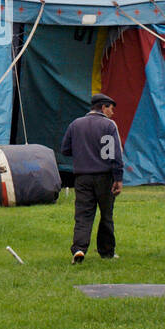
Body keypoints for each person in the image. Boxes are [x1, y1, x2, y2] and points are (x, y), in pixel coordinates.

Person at [61, 93, 124, 263]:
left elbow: (65, 149)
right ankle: (107, 251)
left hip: (82, 177)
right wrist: (118, 178)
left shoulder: (76, 124)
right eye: (111, 108)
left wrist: (83, 152)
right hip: (104, 177)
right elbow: (115, 154)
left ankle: (79, 249)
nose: (112, 112)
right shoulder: (109, 125)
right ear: (103, 107)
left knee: (83, 215)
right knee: (106, 215)